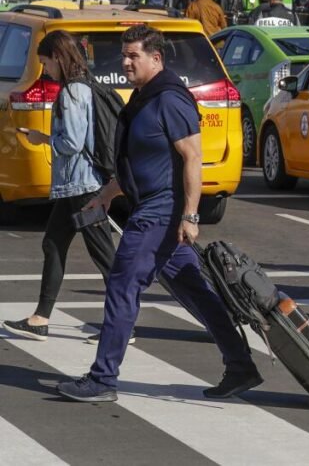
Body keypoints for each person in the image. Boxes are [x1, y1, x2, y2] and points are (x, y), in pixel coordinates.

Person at [55, 25, 261, 402]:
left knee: (122, 284)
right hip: (152, 206)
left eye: (133, 56)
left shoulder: (170, 98)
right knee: (195, 290)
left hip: (162, 210)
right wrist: (106, 195)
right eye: (125, 55)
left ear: (156, 58)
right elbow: (141, 158)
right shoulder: (143, 97)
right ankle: (241, 365)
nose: (126, 62)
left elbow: (192, 158)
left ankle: (102, 380)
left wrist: (191, 215)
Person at [3, 31, 117, 343]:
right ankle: (40, 318)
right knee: (53, 244)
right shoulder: (80, 87)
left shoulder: (72, 92)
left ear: (58, 57)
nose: (46, 71)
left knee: (105, 257)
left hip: (83, 187)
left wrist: (43, 139)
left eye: (46, 63)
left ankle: (122, 323)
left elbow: (72, 142)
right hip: (75, 187)